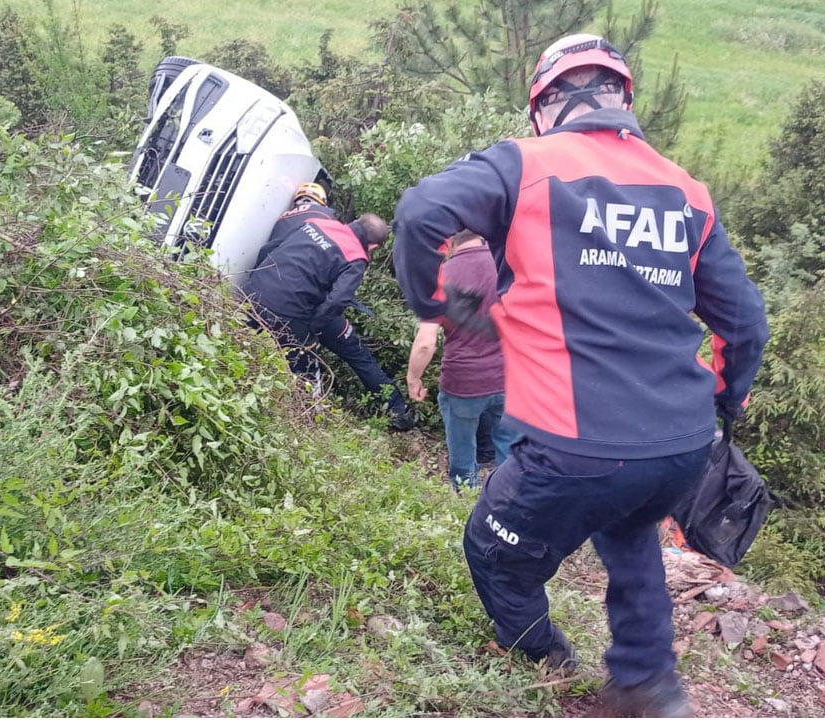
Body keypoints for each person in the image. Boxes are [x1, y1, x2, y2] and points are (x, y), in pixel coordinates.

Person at [392, 33, 769, 717]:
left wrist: (437, 304)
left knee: (494, 549)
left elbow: (421, 213)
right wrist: (725, 397)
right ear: (625, 100)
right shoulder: (687, 191)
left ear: (542, 108)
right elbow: (746, 325)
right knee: (629, 531)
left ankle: (549, 663)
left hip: (577, 444)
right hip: (678, 445)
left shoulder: (525, 165)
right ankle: (648, 683)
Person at [244, 185, 415, 430]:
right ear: (374, 246)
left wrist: (259, 285)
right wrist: (310, 333)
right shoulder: (356, 257)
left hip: (254, 295)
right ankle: (395, 413)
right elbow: (336, 302)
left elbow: (270, 249)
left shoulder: (319, 223)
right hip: (295, 313)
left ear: (354, 221)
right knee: (351, 356)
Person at [405, 230, 516, 491]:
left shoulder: (441, 277)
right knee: (508, 452)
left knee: (463, 453)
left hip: (463, 384)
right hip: (509, 379)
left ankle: (465, 507)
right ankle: (504, 503)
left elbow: (425, 342)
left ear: (450, 241)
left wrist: (413, 378)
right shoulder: (509, 264)